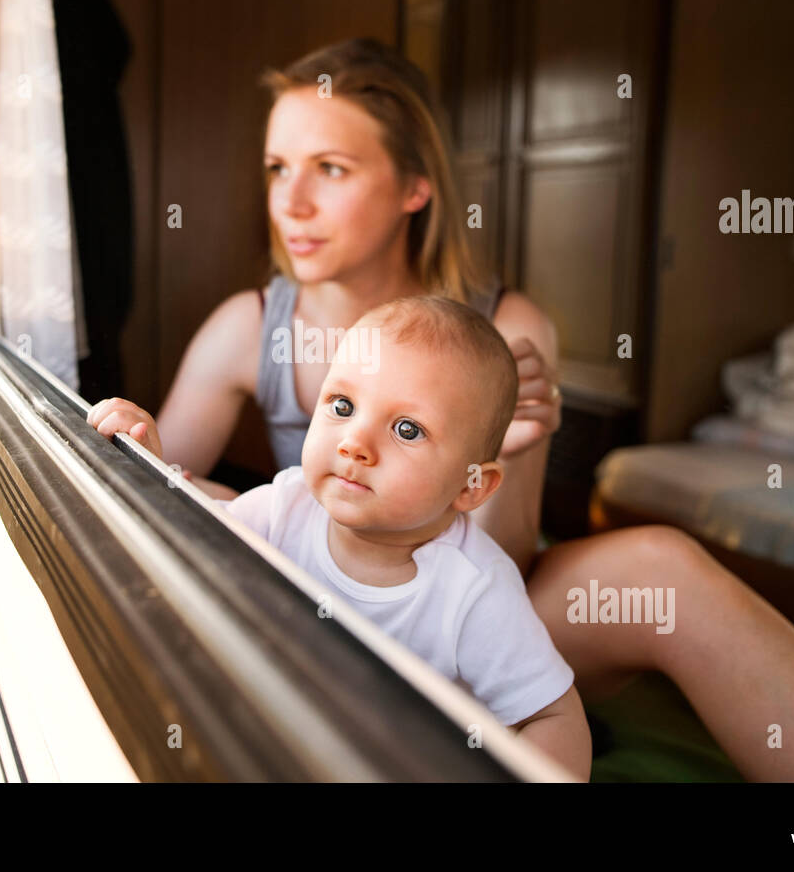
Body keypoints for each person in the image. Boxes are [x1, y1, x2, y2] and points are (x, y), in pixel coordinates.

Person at [90, 38, 794, 781]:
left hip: (478, 591)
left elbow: (501, 555)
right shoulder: (248, 327)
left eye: (330, 168)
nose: (291, 201)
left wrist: (507, 453)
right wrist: (155, 455)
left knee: (661, 567)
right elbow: (177, 501)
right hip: (325, 569)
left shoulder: (506, 331)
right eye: (276, 168)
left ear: (415, 186)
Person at [88, 296, 592, 778]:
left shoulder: (474, 590)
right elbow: (186, 534)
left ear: (471, 485)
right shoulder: (286, 506)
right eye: (343, 405)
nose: (355, 444)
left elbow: (552, 718)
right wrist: (150, 464)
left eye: (407, 430)